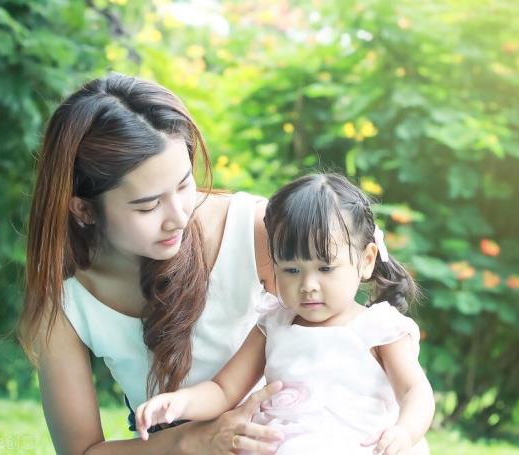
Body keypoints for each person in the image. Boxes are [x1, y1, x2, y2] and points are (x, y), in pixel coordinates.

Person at [19, 73, 287, 454]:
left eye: (184, 184)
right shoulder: (67, 300)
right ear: (83, 209)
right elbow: (80, 450)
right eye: (148, 206)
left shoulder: (253, 230)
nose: (178, 217)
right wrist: (192, 440)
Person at [135, 173, 435, 455]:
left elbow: (414, 391)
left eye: (325, 268)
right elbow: (224, 389)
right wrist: (179, 402)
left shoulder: (379, 328)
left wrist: (404, 432)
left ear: (366, 260)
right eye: (291, 270)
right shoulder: (274, 324)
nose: (308, 285)